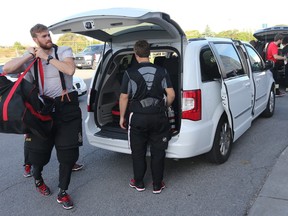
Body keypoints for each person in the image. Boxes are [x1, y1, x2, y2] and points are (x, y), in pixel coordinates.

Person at [3, 24, 83, 210]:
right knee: (38, 155)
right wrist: (30, 56)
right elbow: (7, 69)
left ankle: (63, 192)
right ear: (35, 40)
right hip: (42, 110)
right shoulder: (31, 56)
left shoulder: (62, 51)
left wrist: (47, 58)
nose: (48, 38)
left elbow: (70, 70)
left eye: (48, 35)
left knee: (68, 154)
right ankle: (38, 179)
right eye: (43, 36)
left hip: (66, 108)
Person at [119, 40, 175, 194]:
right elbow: (171, 95)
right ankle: (157, 184)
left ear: (135, 54)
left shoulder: (129, 73)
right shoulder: (162, 71)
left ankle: (139, 183)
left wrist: (121, 117)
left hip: (138, 118)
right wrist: (164, 107)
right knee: (158, 152)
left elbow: (124, 97)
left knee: (138, 152)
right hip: (159, 117)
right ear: (149, 53)